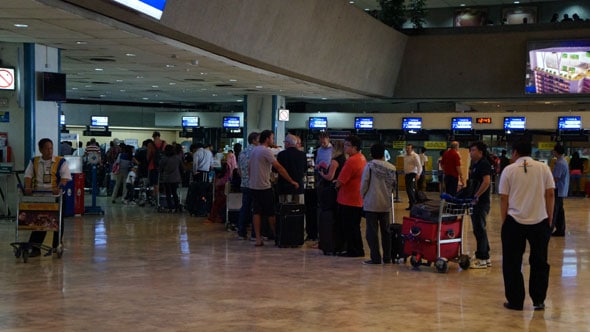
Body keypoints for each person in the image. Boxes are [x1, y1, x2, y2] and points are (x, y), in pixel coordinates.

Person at [499, 139, 554, 311]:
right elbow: (550, 194)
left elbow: (503, 198)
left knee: (512, 262)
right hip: (539, 220)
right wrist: (549, 219)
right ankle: (538, 300)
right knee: (539, 261)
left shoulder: (508, 170)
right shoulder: (543, 168)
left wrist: (504, 221)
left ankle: (515, 301)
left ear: (515, 152)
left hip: (514, 221)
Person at [249, 130, 299, 247]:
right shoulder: (266, 151)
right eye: (272, 138)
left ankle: (258, 238)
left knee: (256, 212)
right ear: (267, 139)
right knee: (270, 212)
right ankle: (277, 236)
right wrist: (291, 180)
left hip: (253, 185)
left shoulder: (255, 150)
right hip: (264, 186)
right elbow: (279, 167)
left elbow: (249, 167)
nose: (273, 140)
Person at [23, 138, 72, 257]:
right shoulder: (34, 161)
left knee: (57, 221)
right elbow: (28, 176)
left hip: (56, 196)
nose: (50, 151)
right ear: (40, 149)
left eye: (51, 148)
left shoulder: (60, 161)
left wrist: (59, 187)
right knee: (38, 221)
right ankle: (35, 248)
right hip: (39, 196)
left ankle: (56, 246)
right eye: (47, 148)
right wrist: (28, 187)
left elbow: (65, 178)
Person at [360, 143, 396, 265]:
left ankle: (375, 258)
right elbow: (393, 186)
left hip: (371, 202)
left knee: (372, 232)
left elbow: (364, 184)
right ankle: (387, 257)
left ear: (371, 153)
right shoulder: (392, 168)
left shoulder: (369, 166)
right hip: (385, 203)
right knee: (386, 231)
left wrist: (363, 196)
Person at [335, 135, 367, 257]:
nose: (345, 147)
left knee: (349, 226)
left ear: (354, 147)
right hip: (357, 198)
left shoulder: (352, 160)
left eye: (347, 145)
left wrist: (336, 185)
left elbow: (341, 181)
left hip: (348, 199)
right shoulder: (362, 158)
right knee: (355, 226)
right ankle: (358, 249)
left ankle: (353, 250)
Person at [467, 141, 493, 269]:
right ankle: (485, 256)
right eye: (470, 150)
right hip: (476, 201)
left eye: (473, 150)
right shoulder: (476, 164)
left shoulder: (484, 164)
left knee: (479, 229)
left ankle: (482, 258)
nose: (471, 152)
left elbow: (486, 181)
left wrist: (477, 195)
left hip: (481, 202)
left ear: (480, 152)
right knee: (479, 229)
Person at [236, 132, 259, 240]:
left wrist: (244, 179)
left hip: (244, 184)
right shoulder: (257, 151)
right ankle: (254, 234)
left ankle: (241, 232)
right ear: (254, 140)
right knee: (256, 209)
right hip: (254, 184)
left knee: (244, 207)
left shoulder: (242, 152)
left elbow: (239, 170)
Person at [276, 134, 307, 204]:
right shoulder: (302, 155)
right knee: (298, 209)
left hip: (284, 187)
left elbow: (276, 169)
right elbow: (305, 169)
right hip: (299, 187)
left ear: (287, 143)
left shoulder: (281, 155)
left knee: (285, 209)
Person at [159, 144, 183, 212]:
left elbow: (160, 168)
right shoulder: (177, 158)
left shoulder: (164, 158)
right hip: (176, 178)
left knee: (168, 193)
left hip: (167, 179)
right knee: (174, 192)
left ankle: (170, 207)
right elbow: (181, 167)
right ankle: (177, 206)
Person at [551, 144, 569, 237]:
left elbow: (556, 178)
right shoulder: (563, 161)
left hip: (558, 189)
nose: (553, 152)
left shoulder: (560, 163)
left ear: (556, 152)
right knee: (560, 211)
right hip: (561, 189)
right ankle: (560, 230)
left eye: (554, 150)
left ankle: (550, 229)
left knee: (554, 210)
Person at [402, 144, 422, 211]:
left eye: (409, 148)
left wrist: (418, 174)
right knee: (408, 190)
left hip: (412, 174)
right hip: (407, 174)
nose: (407, 150)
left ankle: (413, 204)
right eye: (406, 148)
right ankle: (411, 204)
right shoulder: (405, 156)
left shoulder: (415, 156)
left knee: (410, 190)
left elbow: (419, 166)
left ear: (412, 149)